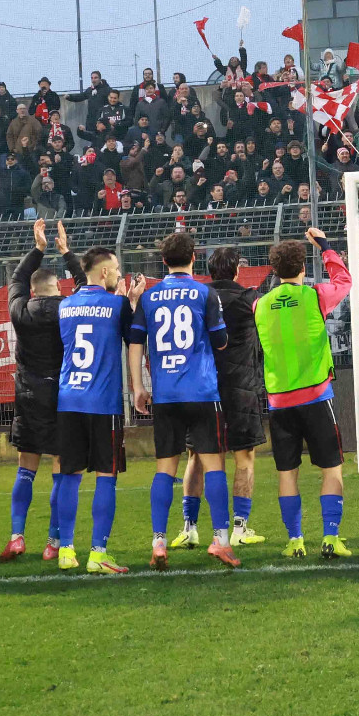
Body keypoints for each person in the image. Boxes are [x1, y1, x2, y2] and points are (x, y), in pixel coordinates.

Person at [125, 231, 238, 571]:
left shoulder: (149, 297)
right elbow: (220, 341)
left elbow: (135, 343)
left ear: (163, 261)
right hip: (201, 391)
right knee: (214, 465)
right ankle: (221, 539)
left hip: (166, 394)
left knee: (165, 468)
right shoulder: (205, 293)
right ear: (194, 258)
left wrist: (138, 387)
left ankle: (159, 541)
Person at [252, 226, 354, 557]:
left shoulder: (260, 305)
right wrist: (325, 246)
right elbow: (344, 281)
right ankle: (330, 537)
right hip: (315, 396)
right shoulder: (314, 296)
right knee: (331, 468)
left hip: (279, 401)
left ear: (274, 269)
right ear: (303, 268)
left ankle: (295, 540)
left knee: (287, 472)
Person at [171, 245, 270, 551]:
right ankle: (239, 527)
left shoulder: (199, 297)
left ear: (209, 271)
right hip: (241, 389)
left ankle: (189, 527)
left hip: (204, 388)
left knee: (197, 456)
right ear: (237, 271)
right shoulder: (250, 299)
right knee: (244, 457)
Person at [0, 218, 85, 562]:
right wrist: (66, 253)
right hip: (62, 394)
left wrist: (38, 249)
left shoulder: (21, 310)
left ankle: (17, 537)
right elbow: (86, 285)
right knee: (60, 467)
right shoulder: (72, 307)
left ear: (33, 291)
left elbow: (16, 279)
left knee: (26, 467)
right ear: (58, 287)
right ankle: (53, 542)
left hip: (28, 395)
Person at [51, 244, 136, 574]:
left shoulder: (65, 305)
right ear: (104, 272)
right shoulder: (117, 304)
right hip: (103, 403)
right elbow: (132, 339)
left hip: (69, 400)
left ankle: (65, 550)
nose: (118, 274)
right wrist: (132, 303)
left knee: (69, 476)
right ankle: (98, 554)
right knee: (106, 477)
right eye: (116, 269)